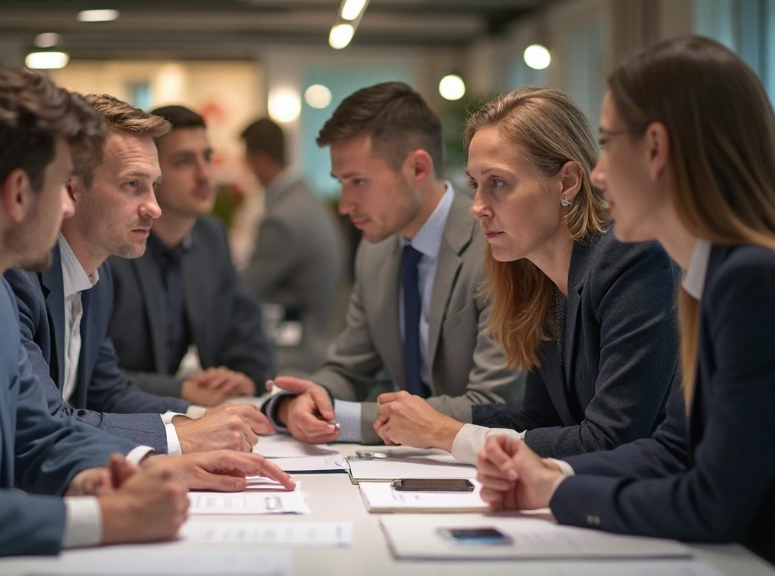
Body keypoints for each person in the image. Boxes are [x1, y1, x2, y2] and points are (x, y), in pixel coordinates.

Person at [0, 58, 292, 576]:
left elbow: (36, 435)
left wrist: (110, 475)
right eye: (61, 186)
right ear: (19, 193)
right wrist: (107, 518)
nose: (68, 209)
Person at [476, 35, 775, 576]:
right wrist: (550, 473)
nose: (598, 174)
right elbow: (672, 449)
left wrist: (557, 493)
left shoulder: (759, 277)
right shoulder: (720, 270)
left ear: (656, 148)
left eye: (607, 144)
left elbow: (711, 504)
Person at [373, 87, 678, 463]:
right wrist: (416, 419)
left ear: (567, 182)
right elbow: (539, 417)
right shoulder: (537, 275)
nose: (478, 207)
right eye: (474, 185)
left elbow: (611, 439)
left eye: (497, 183)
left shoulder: (631, 258)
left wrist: (444, 432)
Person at [5, 96, 273, 456]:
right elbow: (42, 419)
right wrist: (182, 439)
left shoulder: (96, 278)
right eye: (132, 184)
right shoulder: (15, 277)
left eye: (153, 185)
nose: (154, 207)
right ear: (70, 188)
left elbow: (107, 392)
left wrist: (197, 417)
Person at [263, 82, 516, 445]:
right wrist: (306, 401)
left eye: (358, 182)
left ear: (417, 168)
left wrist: (342, 419)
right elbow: (347, 369)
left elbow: (493, 404)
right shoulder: (375, 250)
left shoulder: (495, 245)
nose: (345, 204)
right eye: (340, 182)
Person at [107, 105, 274, 407]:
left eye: (207, 157)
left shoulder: (211, 237)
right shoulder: (114, 244)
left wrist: (242, 376)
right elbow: (92, 374)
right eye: (184, 162)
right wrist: (182, 390)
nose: (204, 175)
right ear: (151, 172)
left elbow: (247, 334)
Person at [240, 117, 345, 375]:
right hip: (323, 338)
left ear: (260, 160)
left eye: (246, 161)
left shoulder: (283, 218)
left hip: (297, 355)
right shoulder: (305, 198)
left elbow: (244, 291)